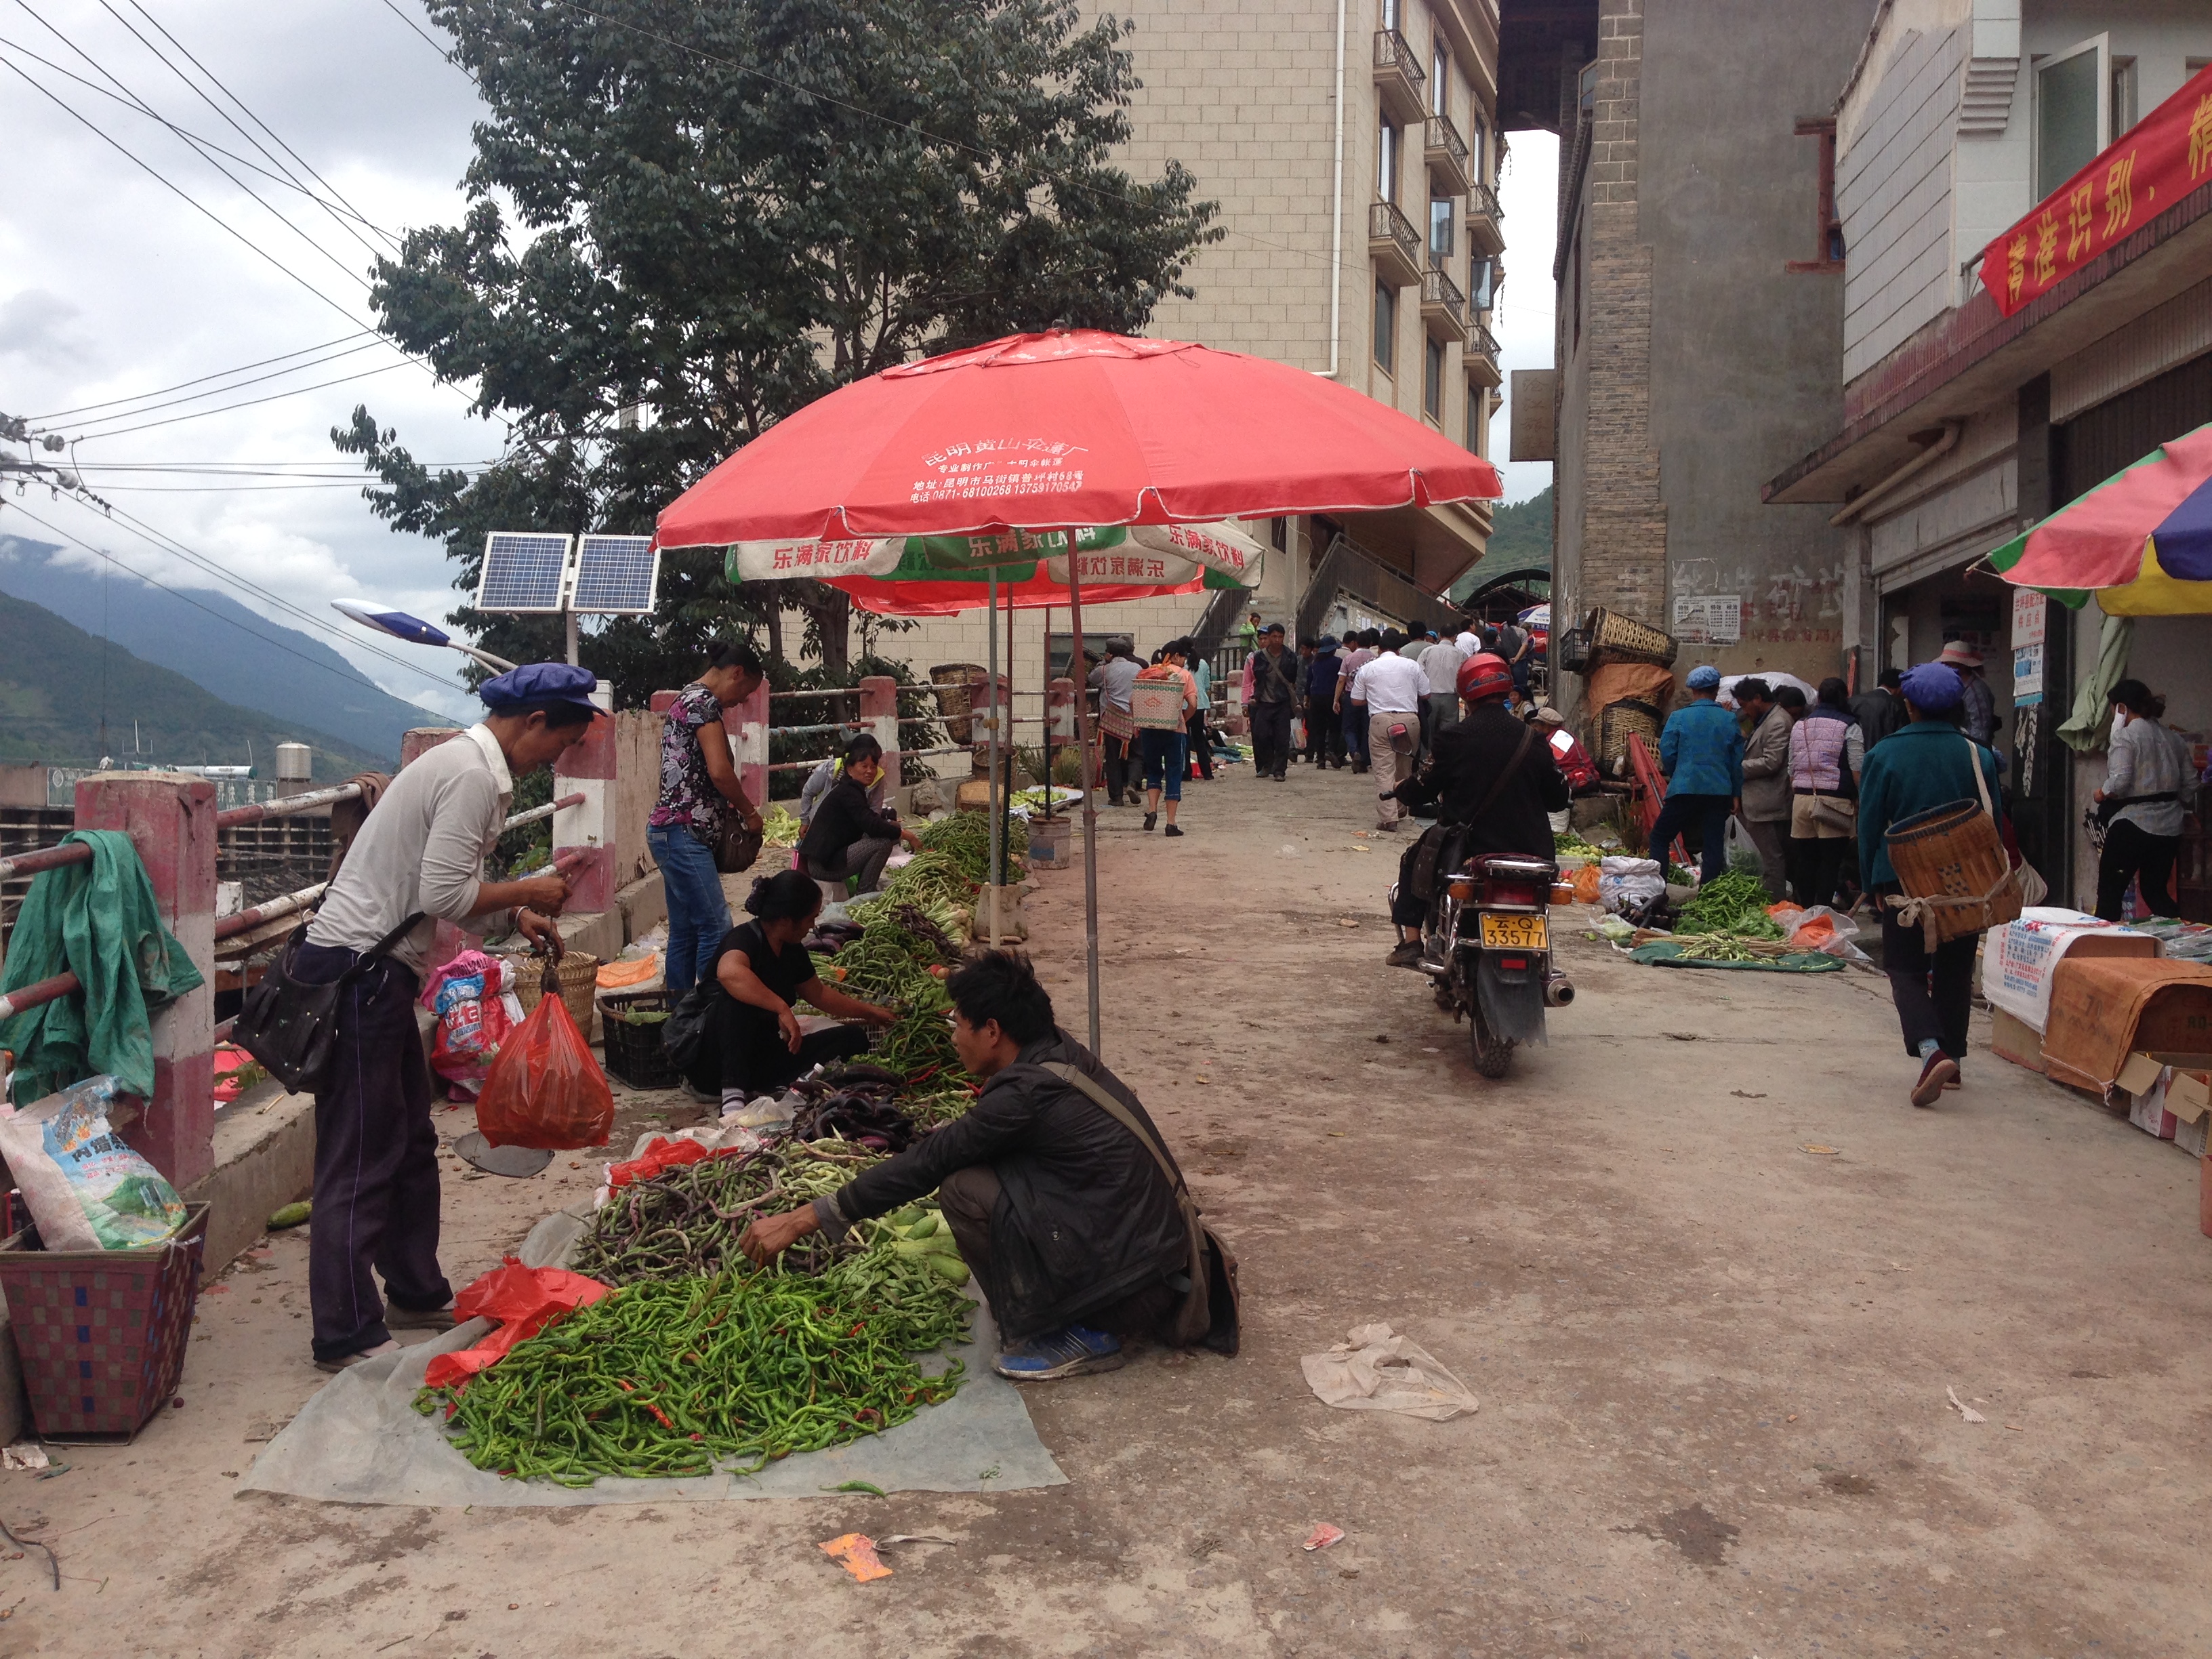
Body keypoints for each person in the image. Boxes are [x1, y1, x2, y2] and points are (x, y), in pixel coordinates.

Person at [298, 662, 593, 1371]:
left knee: (407, 1140)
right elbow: (444, 890)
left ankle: (414, 1289)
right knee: (364, 1152)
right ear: (533, 723)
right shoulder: (469, 775)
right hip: (359, 973)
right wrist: (529, 889)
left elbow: (436, 886)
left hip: (381, 972)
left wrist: (516, 910)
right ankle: (343, 1332)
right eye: (560, 743)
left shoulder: (465, 767)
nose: (557, 760)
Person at [739, 949, 1196, 1380]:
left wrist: (806, 1218)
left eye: (958, 1024)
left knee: (963, 1189)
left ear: (993, 1031)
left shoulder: (1024, 1095)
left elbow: (931, 1162)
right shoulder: (1056, 1052)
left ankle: (1075, 1332)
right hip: (1155, 1257)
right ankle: (1078, 1308)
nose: (954, 1037)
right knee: (992, 1176)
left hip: (1132, 1286)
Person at [1857, 662, 2006, 1108]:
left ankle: (1930, 1050)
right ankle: (1954, 1060)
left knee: (1904, 968)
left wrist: (1872, 881)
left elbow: (1869, 827)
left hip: (1904, 879)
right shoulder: (1977, 755)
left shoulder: (1883, 754)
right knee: (1955, 970)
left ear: (1909, 704)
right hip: (1965, 881)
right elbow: (1993, 821)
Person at [1385, 653, 1568, 966]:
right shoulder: (1532, 740)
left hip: (1466, 851)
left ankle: (1412, 942)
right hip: (1534, 851)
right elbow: (1558, 799)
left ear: (1465, 695)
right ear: (1508, 690)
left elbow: (1421, 790)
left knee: (1413, 859)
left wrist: (1403, 788)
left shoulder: (1453, 739)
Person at [684, 869, 896, 1108]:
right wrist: (781, 1007)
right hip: (715, 1063)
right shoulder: (744, 938)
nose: (813, 926)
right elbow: (729, 973)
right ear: (786, 920)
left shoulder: (791, 949)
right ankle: (733, 1096)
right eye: (809, 919)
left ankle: (788, 1086)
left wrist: (871, 1012)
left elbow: (819, 994)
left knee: (853, 1038)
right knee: (736, 999)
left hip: (761, 1057)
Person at [646, 640, 768, 998]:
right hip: (685, 832)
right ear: (737, 674)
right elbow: (720, 771)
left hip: (671, 831)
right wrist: (749, 812)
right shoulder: (703, 703)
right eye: (745, 692)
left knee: (685, 931)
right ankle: (714, 1012)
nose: (740, 702)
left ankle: (679, 1015)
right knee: (717, 926)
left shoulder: (687, 698)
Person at [2094, 678, 2190, 921]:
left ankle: (2105, 951)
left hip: (2132, 825)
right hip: (2169, 826)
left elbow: (2121, 780)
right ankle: (2178, 941)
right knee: (2156, 893)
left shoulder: (2125, 737)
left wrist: (2102, 793)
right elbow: (2191, 784)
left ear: (2121, 708)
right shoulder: (2174, 739)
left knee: (2109, 895)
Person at [1648, 665, 1744, 882]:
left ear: (1693, 690)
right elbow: (1736, 761)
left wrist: (1679, 774)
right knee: (1713, 844)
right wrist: (1736, 793)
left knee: (1660, 837)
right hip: (1719, 791)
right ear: (1716, 689)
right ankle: (1708, 898)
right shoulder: (1728, 719)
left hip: (1684, 788)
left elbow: (1668, 752)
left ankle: (1657, 892)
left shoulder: (1678, 717)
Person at [798, 733, 918, 895]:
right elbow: (871, 824)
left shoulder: (853, 789)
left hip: (827, 858)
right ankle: (864, 894)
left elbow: (871, 819)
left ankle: (863, 889)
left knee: (881, 835)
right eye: (864, 766)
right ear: (850, 769)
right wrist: (907, 835)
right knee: (883, 842)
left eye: (873, 767)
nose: (870, 771)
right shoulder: (848, 792)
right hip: (822, 866)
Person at [1786, 677, 1864, 912]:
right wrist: (1860, 799)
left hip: (1801, 799)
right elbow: (1857, 769)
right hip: (1834, 802)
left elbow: (1792, 768)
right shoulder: (1850, 726)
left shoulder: (1800, 725)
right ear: (1844, 697)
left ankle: (1805, 910)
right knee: (1831, 862)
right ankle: (1822, 912)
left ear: (1819, 698)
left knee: (1806, 860)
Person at [1349, 634, 1429, 832]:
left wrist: (1377, 698)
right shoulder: (1412, 666)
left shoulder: (1368, 668)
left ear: (1379, 650)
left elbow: (1356, 701)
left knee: (1384, 769)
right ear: (1399, 650)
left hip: (1381, 721)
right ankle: (1401, 807)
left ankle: (1388, 818)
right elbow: (1426, 694)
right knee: (1405, 765)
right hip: (1409, 720)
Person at [1736, 677, 1797, 900]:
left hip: (1770, 803)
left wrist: (1735, 768)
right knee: (1770, 861)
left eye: (1744, 705)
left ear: (1758, 699)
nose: (1745, 711)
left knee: (1773, 861)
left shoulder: (1778, 721)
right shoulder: (1766, 720)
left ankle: (1776, 908)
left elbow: (1772, 762)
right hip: (1761, 802)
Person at [1135, 642, 1197, 836]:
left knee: (1153, 771)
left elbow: (1133, 701)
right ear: (1176, 655)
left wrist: (1139, 722)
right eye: (1184, 657)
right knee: (1173, 773)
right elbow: (1193, 704)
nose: (1185, 661)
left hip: (1149, 728)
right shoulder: (1184, 675)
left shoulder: (1148, 672)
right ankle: (1171, 823)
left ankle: (1152, 811)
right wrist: (1182, 719)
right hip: (1174, 731)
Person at [1088, 637, 1143, 806]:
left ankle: (1116, 797)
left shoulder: (1105, 670)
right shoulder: (1137, 668)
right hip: (1133, 716)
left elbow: (1091, 678)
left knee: (1112, 758)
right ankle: (1133, 783)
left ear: (1109, 654)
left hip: (1111, 718)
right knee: (1136, 755)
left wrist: (1101, 664)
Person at [1244, 623, 1300, 781]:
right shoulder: (1260, 657)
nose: (1277, 640)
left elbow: (1292, 680)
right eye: (1274, 636)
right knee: (1262, 735)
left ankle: (1280, 771)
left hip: (1282, 703)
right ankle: (1266, 765)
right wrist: (1254, 697)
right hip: (1264, 702)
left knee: (1282, 738)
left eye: (1280, 637)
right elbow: (1257, 680)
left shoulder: (1290, 657)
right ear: (1268, 637)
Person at [1417, 632, 1468, 759]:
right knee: (1449, 733)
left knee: (1427, 731)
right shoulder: (1461, 654)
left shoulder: (1427, 651)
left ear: (1440, 635)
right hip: (1451, 697)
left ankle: (1426, 761)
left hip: (1430, 697)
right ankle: (1446, 760)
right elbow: (1464, 675)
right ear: (1455, 637)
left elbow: (1419, 673)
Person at [1335, 630, 1378, 773]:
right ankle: (1364, 762)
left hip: (1351, 697)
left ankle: (1354, 751)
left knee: (1349, 728)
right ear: (1371, 643)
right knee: (1366, 730)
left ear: (1357, 643)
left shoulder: (1348, 659)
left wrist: (1336, 700)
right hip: (1369, 699)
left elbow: (1341, 680)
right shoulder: (1375, 659)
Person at [1938, 642, 1996, 745]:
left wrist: (1975, 752)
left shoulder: (1975, 691)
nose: (1945, 667)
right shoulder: (1958, 686)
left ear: (1962, 666)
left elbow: (1980, 727)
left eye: (1950, 664)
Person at [1304, 635, 1347, 767]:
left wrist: (1306, 699)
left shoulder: (1315, 663)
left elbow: (1309, 683)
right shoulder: (1338, 662)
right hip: (1332, 697)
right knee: (1335, 727)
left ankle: (1321, 759)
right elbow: (1341, 680)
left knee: (1319, 729)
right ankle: (1332, 751)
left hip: (1316, 698)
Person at [1849, 667, 1906, 751]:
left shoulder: (1853, 701)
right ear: (1900, 688)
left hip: (1856, 755)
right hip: (1884, 756)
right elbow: (1901, 737)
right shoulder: (1897, 705)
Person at [1187, 648, 1216, 782]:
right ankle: (1207, 773)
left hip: (1184, 705)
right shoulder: (1203, 663)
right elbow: (1206, 686)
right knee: (1199, 739)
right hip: (1200, 704)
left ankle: (1186, 773)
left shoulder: (1181, 666)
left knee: (1185, 740)